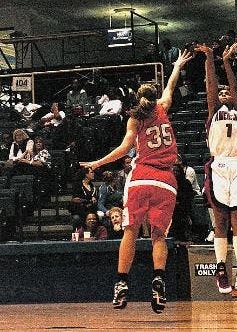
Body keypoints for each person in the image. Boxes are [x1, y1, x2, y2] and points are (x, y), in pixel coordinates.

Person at [80, 49, 192, 313]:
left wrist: (96, 163)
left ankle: (121, 283)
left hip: (141, 177)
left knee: (130, 231)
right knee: (158, 237)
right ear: (154, 98)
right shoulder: (163, 108)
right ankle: (159, 279)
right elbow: (171, 86)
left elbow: (123, 150)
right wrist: (176, 66)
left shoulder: (135, 118)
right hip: (166, 181)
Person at [196, 42, 237, 294]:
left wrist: (227, 61)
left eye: (228, 92)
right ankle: (220, 269)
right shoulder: (213, 111)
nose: (225, 93)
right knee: (221, 221)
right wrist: (209, 58)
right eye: (223, 92)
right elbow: (211, 86)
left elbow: (235, 86)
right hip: (218, 166)